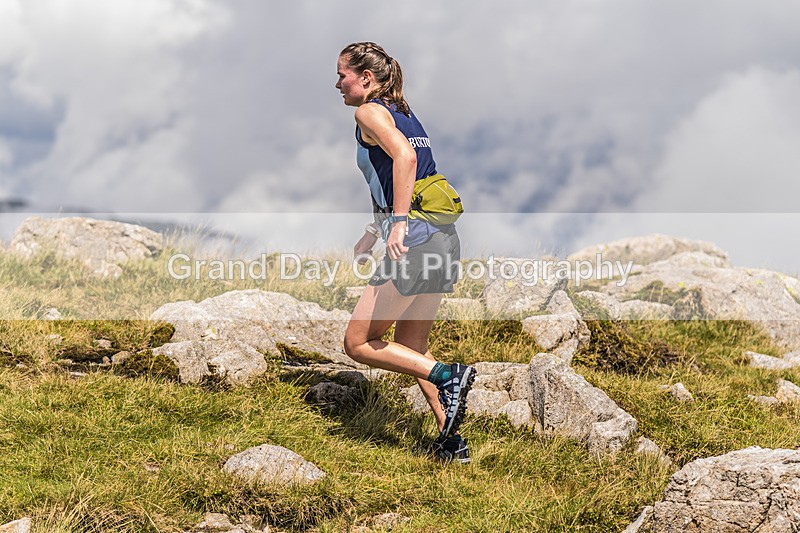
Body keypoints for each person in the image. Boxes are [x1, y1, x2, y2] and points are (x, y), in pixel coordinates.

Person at [337, 42, 476, 463]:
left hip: (413, 237)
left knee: (358, 342)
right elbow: (404, 175)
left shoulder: (368, 111)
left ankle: (448, 376)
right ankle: (452, 444)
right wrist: (371, 230)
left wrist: (396, 224)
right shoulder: (403, 111)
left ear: (365, 77)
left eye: (342, 74)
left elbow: (405, 158)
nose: (337, 84)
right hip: (442, 236)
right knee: (411, 342)